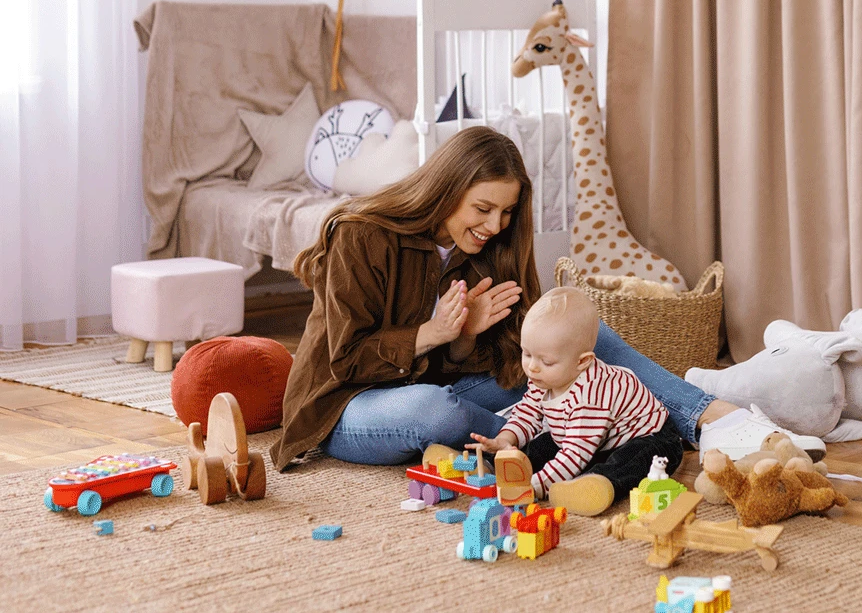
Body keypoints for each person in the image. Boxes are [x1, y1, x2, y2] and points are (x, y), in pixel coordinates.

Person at [270, 126, 824, 474]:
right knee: (432, 412)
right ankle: (582, 435)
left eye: (506, 213)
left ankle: (720, 421)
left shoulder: (491, 245)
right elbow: (345, 359)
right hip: (346, 407)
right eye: (482, 208)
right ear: (445, 188)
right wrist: (433, 332)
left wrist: (462, 341)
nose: (495, 225)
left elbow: (518, 358)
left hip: (438, 381)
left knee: (585, 339)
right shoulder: (361, 234)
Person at [466, 286, 684, 516]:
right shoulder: (542, 377)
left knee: (627, 462)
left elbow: (575, 454)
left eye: (546, 361)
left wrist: (536, 486)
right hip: (592, 439)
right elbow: (527, 414)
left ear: (582, 362)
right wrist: (504, 440)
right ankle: (493, 465)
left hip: (651, 438)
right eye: (527, 353)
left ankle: (596, 486)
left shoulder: (589, 395)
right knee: (542, 445)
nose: (532, 366)